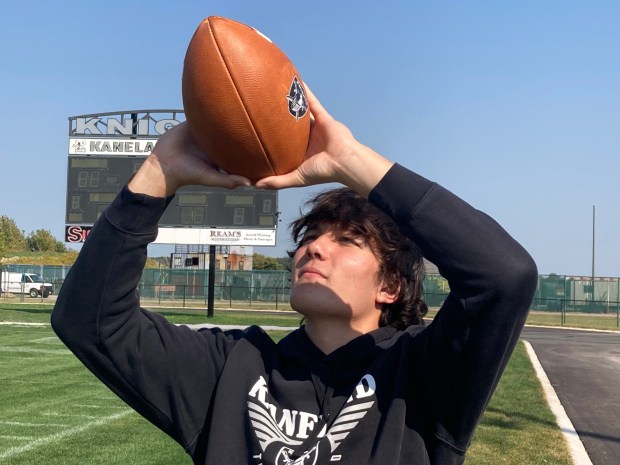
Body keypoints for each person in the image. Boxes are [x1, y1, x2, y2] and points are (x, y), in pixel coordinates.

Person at [51, 86, 538, 465]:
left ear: (390, 287)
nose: (315, 247)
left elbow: (503, 275)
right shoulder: (229, 368)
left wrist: (349, 161)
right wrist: (158, 173)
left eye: (347, 241)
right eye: (310, 236)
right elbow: (89, 322)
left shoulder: (423, 377)